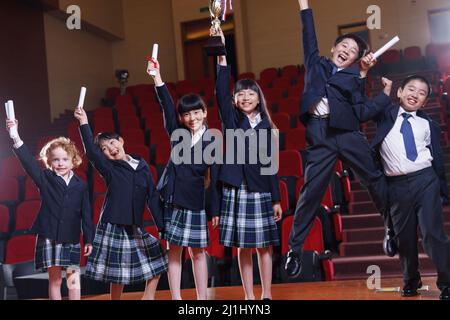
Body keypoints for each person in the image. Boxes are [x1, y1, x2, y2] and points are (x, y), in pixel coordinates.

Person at [285, 0, 394, 278]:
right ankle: (294, 251)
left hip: (347, 134)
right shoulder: (315, 63)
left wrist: (376, 88)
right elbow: (307, 33)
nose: (346, 51)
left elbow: (362, 111)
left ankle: (391, 226)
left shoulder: (354, 76)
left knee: (375, 177)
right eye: (343, 47)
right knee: (309, 195)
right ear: (333, 49)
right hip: (319, 136)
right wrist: (304, 5)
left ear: (356, 58)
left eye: (353, 52)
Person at [215, 28, 283, 300]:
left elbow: (271, 167)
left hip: (261, 189)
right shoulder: (231, 120)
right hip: (236, 188)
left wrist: (276, 199)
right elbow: (220, 90)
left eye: (250, 94)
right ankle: (249, 295)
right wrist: (221, 55)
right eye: (240, 94)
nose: (245, 98)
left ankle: (266, 293)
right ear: (235, 99)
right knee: (243, 246)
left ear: (258, 98)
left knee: (264, 246)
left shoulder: (269, 128)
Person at [74, 107, 168, 300]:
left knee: (159, 256)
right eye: (105, 149)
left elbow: (152, 197)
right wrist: (83, 122)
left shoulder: (143, 167)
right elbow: (91, 152)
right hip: (114, 222)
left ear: (121, 140)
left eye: (112, 143)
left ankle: (148, 297)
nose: (110, 149)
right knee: (118, 271)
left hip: (134, 224)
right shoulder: (109, 168)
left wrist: (162, 227)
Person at [146, 58, 221, 300]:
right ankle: (176, 298)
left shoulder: (213, 139)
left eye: (196, 112)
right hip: (174, 201)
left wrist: (216, 209)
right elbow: (166, 105)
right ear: (180, 118)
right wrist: (157, 77)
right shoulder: (177, 134)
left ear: (204, 112)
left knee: (198, 253)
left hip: (197, 202)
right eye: (186, 114)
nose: (192, 118)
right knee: (174, 252)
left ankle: (202, 298)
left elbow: (216, 177)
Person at [371, 75, 450, 300]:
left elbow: (437, 158)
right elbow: (368, 108)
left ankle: (447, 282)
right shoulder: (385, 115)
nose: (415, 94)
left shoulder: (428, 124)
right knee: (404, 238)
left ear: (425, 102)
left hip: (425, 181)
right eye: (411, 89)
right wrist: (384, 91)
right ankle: (410, 280)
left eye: (422, 92)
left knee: (433, 235)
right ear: (400, 92)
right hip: (395, 185)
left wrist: (441, 188)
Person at [6, 118, 93, 300]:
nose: (60, 163)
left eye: (64, 159)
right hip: (49, 236)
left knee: (73, 279)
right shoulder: (44, 178)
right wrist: (15, 136)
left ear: (73, 160)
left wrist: (89, 240)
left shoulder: (81, 185)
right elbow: (29, 162)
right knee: (54, 281)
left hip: (72, 237)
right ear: (49, 162)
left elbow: (86, 214)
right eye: (55, 160)